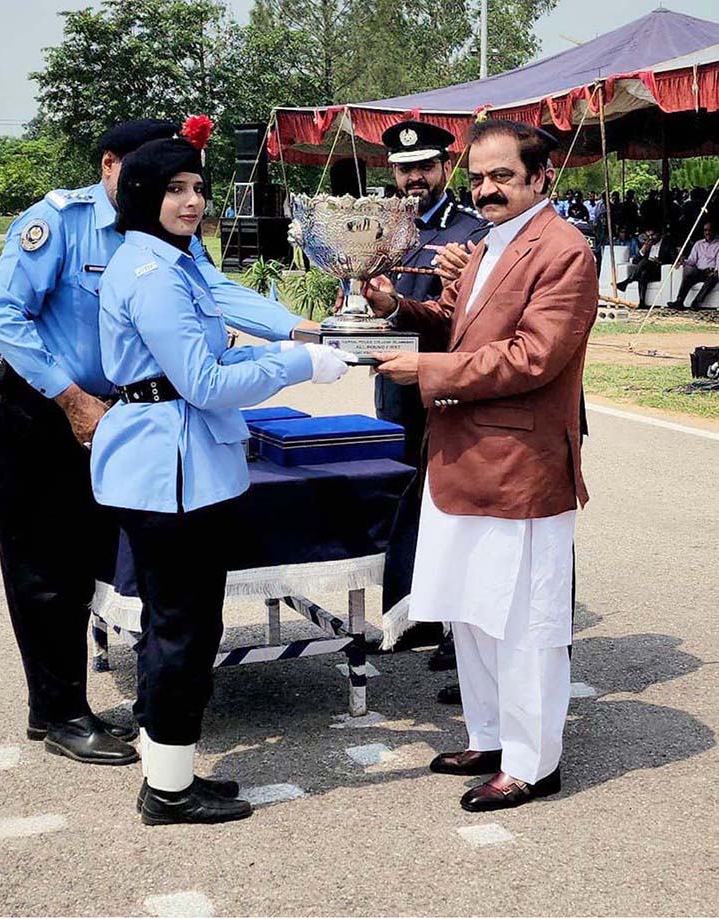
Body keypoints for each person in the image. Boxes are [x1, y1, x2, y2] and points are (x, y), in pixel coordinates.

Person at [0, 118, 319, 766]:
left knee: (94, 550)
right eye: (153, 172)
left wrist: (300, 327)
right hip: (36, 402)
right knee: (46, 564)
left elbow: (215, 291)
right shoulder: (63, 222)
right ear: (112, 166)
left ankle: (119, 708)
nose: (171, 187)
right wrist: (71, 399)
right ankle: (57, 710)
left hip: (115, 409)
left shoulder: (167, 235)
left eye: (183, 176)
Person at [92, 122, 351, 824]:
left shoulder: (173, 262)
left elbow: (219, 342)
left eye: (199, 188)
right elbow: (203, 381)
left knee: (179, 623)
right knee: (183, 628)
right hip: (166, 468)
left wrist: (300, 339)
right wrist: (301, 364)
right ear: (142, 194)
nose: (192, 200)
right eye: (175, 189)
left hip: (176, 457)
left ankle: (166, 771)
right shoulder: (153, 275)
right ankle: (169, 790)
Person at [362, 118, 597, 811]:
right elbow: (453, 321)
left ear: (540, 179)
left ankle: (532, 762)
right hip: (462, 456)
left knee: (524, 622)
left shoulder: (564, 250)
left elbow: (533, 355)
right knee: (473, 611)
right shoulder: (490, 243)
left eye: (503, 176)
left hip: (520, 465)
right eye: (479, 178)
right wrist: (396, 305)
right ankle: (490, 735)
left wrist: (430, 369)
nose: (487, 189)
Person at [373, 119, 488, 660]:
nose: (414, 178)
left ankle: (461, 623)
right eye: (404, 169)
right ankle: (414, 612)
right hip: (398, 385)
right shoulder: (382, 230)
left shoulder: (472, 231)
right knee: (404, 493)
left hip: (453, 386)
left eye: (423, 167)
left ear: (446, 167)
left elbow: (462, 318)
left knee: (451, 500)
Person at [616, 223, 677, 307]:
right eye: (648, 236)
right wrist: (643, 251)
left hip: (660, 271)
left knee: (645, 261)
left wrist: (660, 262)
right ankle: (642, 302)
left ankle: (627, 281)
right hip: (647, 271)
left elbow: (674, 259)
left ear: (659, 234)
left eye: (653, 235)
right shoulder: (647, 244)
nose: (651, 238)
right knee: (644, 273)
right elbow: (635, 261)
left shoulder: (668, 244)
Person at [667, 220, 719, 310]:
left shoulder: (718, 244)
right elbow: (692, 261)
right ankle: (679, 301)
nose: (707, 232)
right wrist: (683, 261)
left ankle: (696, 302)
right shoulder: (698, 244)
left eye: (710, 230)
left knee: (713, 277)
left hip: (711, 271)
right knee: (688, 274)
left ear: (714, 231)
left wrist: (716, 271)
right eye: (705, 230)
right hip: (699, 271)